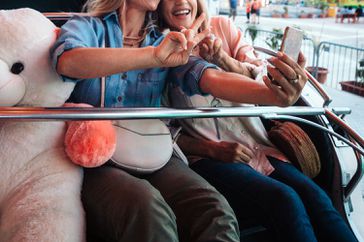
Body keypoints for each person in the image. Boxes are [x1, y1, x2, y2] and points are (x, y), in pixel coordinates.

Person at [159, 0, 359, 241]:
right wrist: (212, 149)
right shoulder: (158, 48)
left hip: (258, 145)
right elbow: (163, 128)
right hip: (207, 156)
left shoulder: (223, 27)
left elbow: (261, 73)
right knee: (286, 201)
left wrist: (223, 59)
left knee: (317, 197)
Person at [51, 0, 241, 241]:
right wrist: (152, 57)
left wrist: (271, 94)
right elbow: (67, 61)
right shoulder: (88, 26)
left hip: (151, 152)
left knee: (214, 209)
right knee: (145, 206)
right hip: (95, 161)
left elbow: (205, 76)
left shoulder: (163, 40)